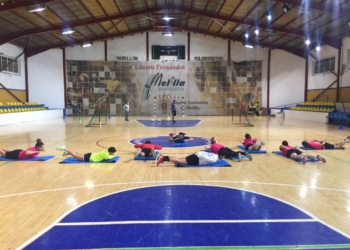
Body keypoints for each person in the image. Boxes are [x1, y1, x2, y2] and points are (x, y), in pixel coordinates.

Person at [156, 148, 226, 167]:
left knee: (179, 158)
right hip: (196, 159)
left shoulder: (214, 154)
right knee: (179, 161)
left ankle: (163, 156)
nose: (224, 157)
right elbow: (204, 157)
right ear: (221, 155)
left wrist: (198, 152)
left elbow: (205, 153)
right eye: (224, 155)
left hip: (196, 156)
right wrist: (199, 154)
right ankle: (163, 159)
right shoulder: (214, 159)